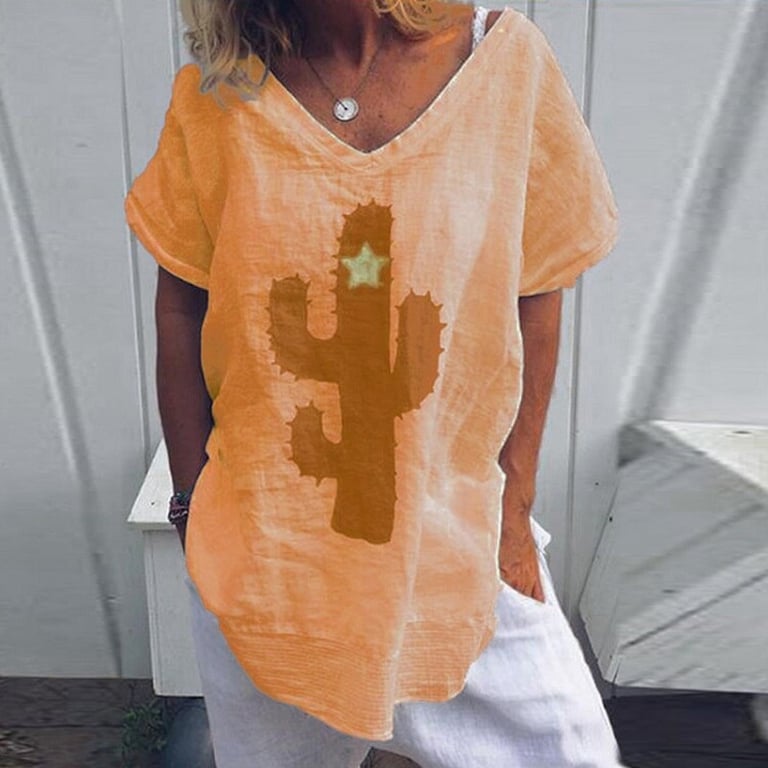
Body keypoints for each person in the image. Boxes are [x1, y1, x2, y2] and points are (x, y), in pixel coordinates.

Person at [124, 1, 626, 765]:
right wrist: (192, 504)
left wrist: (514, 513)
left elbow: (539, 292)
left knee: (567, 749)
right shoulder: (219, 94)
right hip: (270, 552)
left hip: (453, 540)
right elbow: (182, 305)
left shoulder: (501, 62)